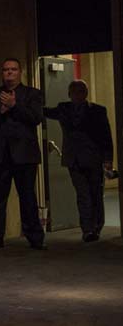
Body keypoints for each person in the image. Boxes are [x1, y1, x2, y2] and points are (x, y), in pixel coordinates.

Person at [0, 58, 46, 250]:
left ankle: (35, 238)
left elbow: (36, 118)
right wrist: (1, 110)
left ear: (20, 72)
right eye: (6, 69)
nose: (9, 73)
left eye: (13, 69)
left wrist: (15, 106)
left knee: (28, 197)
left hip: (24, 155)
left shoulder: (33, 94)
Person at [44, 80, 114, 242]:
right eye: (74, 92)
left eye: (81, 91)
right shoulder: (64, 109)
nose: (77, 95)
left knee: (95, 193)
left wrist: (108, 159)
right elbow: (45, 112)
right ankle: (88, 229)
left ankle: (96, 226)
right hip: (73, 159)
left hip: (93, 159)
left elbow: (106, 137)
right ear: (69, 94)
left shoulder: (97, 111)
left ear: (86, 93)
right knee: (83, 194)